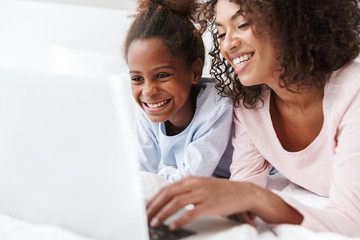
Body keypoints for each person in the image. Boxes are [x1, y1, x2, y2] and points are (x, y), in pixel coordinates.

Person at [146, 0, 360, 237]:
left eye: (242, 24)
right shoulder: (250, 105)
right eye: (221, 33)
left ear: (293, 22)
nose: (228, 44)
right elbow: (243, 191)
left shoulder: (353, 94)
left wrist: (258, 198)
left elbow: (351, 222)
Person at [124, 0, 234, 182]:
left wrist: (155, 181)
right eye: (137, 79)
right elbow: (140, 169)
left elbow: (189, 179)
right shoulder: (148, 108)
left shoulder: (217, 108)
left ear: (195, 71)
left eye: (162, 75)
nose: (148, 91)